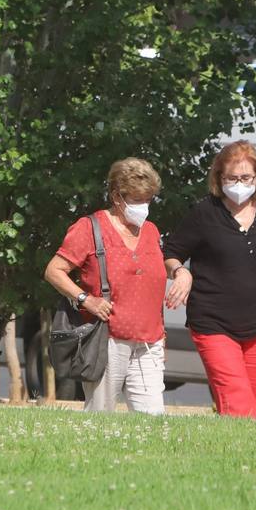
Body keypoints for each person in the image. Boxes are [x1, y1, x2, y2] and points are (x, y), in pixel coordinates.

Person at [162, 141, 256, 419]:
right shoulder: (204, 212)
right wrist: (180, 271)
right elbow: (171, 253)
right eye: (231, 178)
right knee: (238, 403)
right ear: (219, 178)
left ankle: (251, 461)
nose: (238, 184)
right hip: (213, 322)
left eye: (245, 178)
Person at [43, 157, 167, 414]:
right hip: (106, 339)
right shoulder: (90, 228)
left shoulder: (152, 231)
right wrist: (85, 299)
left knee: (153, 420)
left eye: (147, 200)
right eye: (136, 200)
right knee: (101, 417)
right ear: (116, 196)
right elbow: (54, 271)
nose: (143, 206)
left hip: (149, 342)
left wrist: (161, 333)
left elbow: (151, 286)